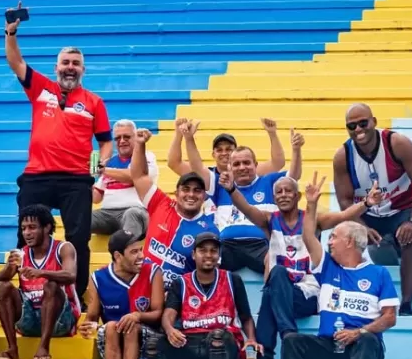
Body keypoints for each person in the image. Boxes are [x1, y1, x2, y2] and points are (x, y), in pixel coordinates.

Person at [217, 169, 383, 359]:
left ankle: (280, 341)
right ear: (273, 197)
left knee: (271, 290)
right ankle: (272, 350)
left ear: (297, 196)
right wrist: (231, 189)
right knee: (275, 280)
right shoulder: (269, 220)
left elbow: (343, 215)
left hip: (307, 295)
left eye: (288, 191)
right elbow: (246, 208)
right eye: (279, 192)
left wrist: (366, 203)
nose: (283, 195)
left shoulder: (313, 220)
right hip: (281, 290)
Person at [5, 4, 111, 299]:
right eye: (65, 62)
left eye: (76, 63)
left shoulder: (94, 102)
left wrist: (97, 169)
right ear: (56, 67)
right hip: (36, 176)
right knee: (25, 234)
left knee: (78, 238)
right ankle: (24, 291)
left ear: (83, 69)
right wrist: (11, 32)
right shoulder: (41, 88)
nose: (70, 67)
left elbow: (105, 141)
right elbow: (15, 62)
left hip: (76, 180)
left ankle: (75, 293)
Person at [280, 173, 398, 359]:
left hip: (361, 342)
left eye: (334, 237)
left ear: (350, 241)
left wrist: (359, 332)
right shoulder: (328, 267)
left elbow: (390, 318)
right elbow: (308, 236)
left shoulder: (378, 273)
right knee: (292, 340)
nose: (329, 241)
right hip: (329, 344)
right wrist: (311, 204)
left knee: (368, 341)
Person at [333, 103, 412, 315]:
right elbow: (344, 200)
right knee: (341, 240)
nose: (358, 130)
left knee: (411, 238)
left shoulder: (396, 143)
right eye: (352, 126)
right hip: (368, 213)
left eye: (363, 123)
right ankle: (343, 302)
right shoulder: (343, 156)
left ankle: (406, 304)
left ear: (374, 122)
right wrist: (361, 227)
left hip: (401, 208)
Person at [184, 120, 303, 275]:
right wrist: (189, 139)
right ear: (229, 167)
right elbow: (197, 168)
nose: (242, 167)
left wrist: (296, 150)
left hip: (261, 244)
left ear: (255, 164)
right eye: (237, 164)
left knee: (275, 260)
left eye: (247, 163)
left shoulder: (269, 181)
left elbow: (294, 176)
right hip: (227, 246)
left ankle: (270, 297)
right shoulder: (221, 185)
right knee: (205, 258)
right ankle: (208, 297)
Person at [150, 232, 260, 359]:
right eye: (203, 250)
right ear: (193, 254)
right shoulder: (181, 283)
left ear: (219, 256)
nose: (208, 255)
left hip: (224, 342)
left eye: (213, 251)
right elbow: (168, 314)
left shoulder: (232, 279)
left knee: (217, 338)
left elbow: (246, 316)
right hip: (190, 342)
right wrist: (170, 329)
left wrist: (251, 338)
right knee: (153, 345)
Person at [0, 204, 80, 359]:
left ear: (47, 228)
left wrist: (42, 273)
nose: (27, 233)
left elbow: (71, 275)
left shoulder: (64, 248)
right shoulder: (21, 253)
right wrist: (8, 269)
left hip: (60, 320)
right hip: (29, 319)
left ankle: (44, 347)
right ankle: (12, 348)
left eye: (32, 227)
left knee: (51, 285)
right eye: (24, 228)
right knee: (3, 287)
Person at [128, 128, 216, 286]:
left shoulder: (209, 229)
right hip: (142, 287)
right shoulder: (161, 203)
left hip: (177, 299)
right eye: (186, 189)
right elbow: (139, 176)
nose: (191, 195)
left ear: (204, 196)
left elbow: (209, 274)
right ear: (176, 192)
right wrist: (140, 145)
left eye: (197, 190)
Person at [80, 230, 164, 359]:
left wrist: (137, 316)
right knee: (112, 327)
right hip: (112, 336)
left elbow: (158, 313)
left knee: (130, 327)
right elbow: (91, 318)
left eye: (141, 250)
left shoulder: (153, 271)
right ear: (118, 256)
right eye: (134, 252)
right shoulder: (98, 278)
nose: (141, 256)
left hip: (147, 339)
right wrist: (87, 327)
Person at [167, 117, 285, 180]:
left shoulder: (248, 172)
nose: (224, 153)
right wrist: (179, 134)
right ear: (213, 155)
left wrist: (272, 134)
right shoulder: (206, 174)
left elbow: (278, 163)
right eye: (219, 150)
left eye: (229, 149)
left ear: (236, 152)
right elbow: (174, 163)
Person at [91, 119, 154, 237]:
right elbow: (96, 198)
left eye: (127, 137)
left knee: (132, 214)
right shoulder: (109, 162)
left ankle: (126, 251)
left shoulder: (146, 156)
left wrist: (103, 170)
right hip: (107, 214)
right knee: (82, 218)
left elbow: (135, 175)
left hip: (136, 211)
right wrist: (82, 179)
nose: (122, 141)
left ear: (136, 137)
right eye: (118, 138)